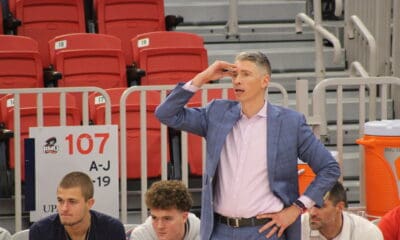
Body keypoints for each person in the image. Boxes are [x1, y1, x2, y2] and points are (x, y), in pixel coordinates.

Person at [155, 51, 340, 239]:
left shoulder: (290, 122)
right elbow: (166, 114)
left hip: (265, 231)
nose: (237, 80)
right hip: (219, 230)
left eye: (246, 74)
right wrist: (203, 78)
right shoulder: (217, 113)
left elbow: (329, 168)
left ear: (264, 81)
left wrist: (296, 209)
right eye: (235, 74)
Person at [29, 171, 125, 240]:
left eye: (72, 201)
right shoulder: (40, 231)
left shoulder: (112, 229)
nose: (64, 208)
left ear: (89, 203)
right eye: (60, 200)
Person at [301, 181, 383, 239]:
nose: (312, 212)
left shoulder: (367, 233)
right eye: (310, 204)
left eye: (320, 206)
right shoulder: (297, 228)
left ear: (340, 207)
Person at [129, 180, 200, 240]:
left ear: (184, 217)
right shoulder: (141, 236)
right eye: (154, 218)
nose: (160, 226)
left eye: (167, 219)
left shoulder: (203, 233)